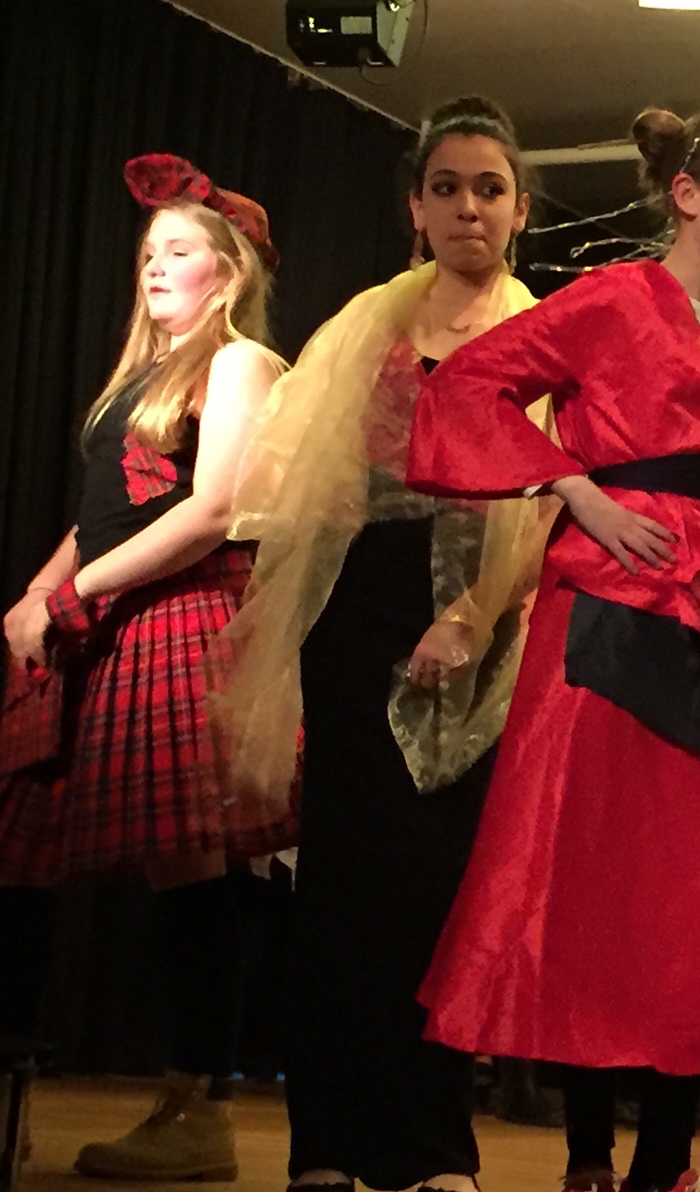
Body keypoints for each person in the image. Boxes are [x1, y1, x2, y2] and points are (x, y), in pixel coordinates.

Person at [407, 103, 700, 1192]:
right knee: (589, 884)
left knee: (691, 902)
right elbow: (469, 385)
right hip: (603, 610)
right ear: (688, 195)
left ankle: (664, 1163)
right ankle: (585, 1155)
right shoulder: (612, 298)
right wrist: (574, 487)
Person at [212, 97, 548, 1192]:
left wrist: (475, 615)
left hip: (480, 621)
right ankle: (327, 1145)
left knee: (436, 888)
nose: (468, 208)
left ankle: (431, 1146)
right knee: (342, 883)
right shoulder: (368, 322)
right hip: (359, 610)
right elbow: (297, 475)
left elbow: (550, 502)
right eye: (447, 188)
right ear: (416, 206)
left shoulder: (543, 333)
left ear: (520, 209)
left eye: (489, 189)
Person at [0, 154, 292, 1180]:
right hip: (113, 611)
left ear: (229, 270)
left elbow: (212, 510)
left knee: (191, 865)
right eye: (149, 253)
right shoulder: (139, 378)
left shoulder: (240, 362)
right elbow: (104, 515)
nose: (155, 266)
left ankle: (200, 1108)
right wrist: (39, 591)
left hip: (181, 612)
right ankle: (22, 1075)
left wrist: (71, 596)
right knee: (30, 841)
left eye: (178, 250)